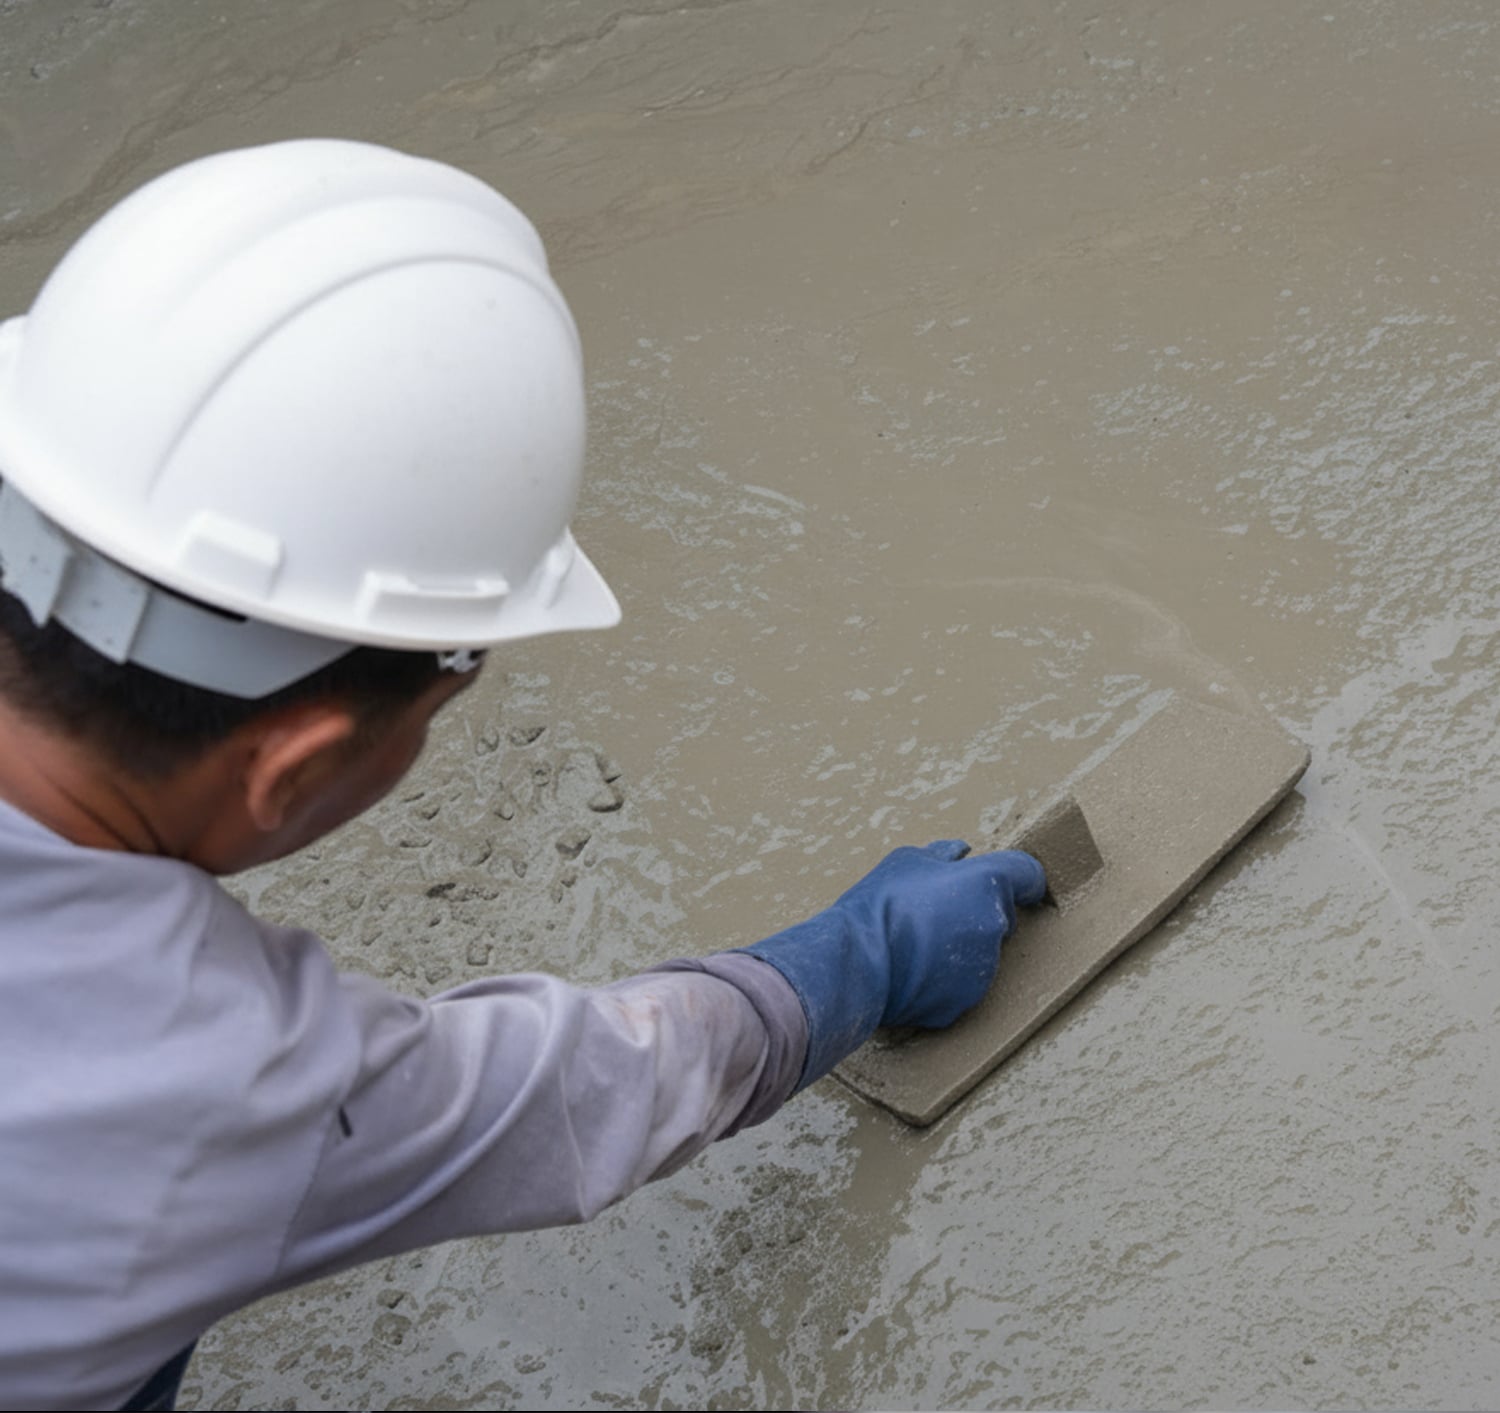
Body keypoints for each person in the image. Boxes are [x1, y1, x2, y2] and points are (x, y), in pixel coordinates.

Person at [0, 140, 1046, 1411]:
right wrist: (862, 955)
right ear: (298, 767)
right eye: (429, 715)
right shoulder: (214, 1075)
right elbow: (588, 1091)